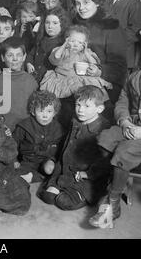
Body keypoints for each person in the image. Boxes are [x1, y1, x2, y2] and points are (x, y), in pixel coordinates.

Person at [39, 85, 111, 211]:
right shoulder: (75, 121)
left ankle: (78, 194)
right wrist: (53, 159)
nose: (80, 110)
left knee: (64, 202)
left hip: (86, 176)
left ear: (99, 109)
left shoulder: (104, 129)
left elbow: (104, 161)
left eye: (87, 106)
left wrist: (88, 174)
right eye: (78, 105)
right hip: (66, 168)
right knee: (48, 196)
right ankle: (61, 186)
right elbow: (64, 144)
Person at [90, 68, 141, 228]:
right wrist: (125, 123)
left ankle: (113, 203)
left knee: (124, 152)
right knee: (104, 138)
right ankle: (117, 183)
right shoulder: (135, 76)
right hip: (131, 125)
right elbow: (123, 101)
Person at [71, 0, 128, 104]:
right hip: (72, 80)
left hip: (102, 87)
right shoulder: (73, 24)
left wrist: (100, 71)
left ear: (97, 2)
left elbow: (120, 69)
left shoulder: (112, 26)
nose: (81, 8)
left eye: (86, 2)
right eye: (78, 3)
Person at [40, 25, 112, 99]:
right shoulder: (64, 51)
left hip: (81, 79)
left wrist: (86, 52)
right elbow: (55, 57)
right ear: (66, 40)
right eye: (72, 41)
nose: (75, 44)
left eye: (80, 42)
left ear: (85, 44)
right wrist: (64, 45)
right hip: (62, 79)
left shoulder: (87, 53)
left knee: (92, 89)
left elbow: (95, 64)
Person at [14, 90, 64, 184]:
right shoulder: (24, 126)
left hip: (46, 160)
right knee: (15, 176)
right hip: (28, 161)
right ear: (33, 112)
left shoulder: (58, 128)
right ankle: (33, 176)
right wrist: (14, 160)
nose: (45, 115)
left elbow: (61, 150)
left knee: (51, 170)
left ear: (54, 113)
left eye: (49, 111)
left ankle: (38, 177)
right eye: (40, 111)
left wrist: (52, 160)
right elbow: (13, 144)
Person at [104, 0, 141, 72]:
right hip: (104, 55)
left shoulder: (133, 2)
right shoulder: (105, 0)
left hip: (123, 58)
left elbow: (135, 30)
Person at [0, 37, 38, 131]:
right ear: (3, 58)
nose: (15, 59)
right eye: (10, 55)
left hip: (25, 130)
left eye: (19, 55)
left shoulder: (31, 81)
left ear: (24, 57)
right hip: (3, 129)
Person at [26, 6, 69, 83]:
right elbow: (31, 55)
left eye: (55, 23)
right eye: (47, 22)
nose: (50, 26)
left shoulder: (63, 44)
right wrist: (28, 63)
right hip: (34, 79)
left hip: (50, 83)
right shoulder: (41, 39)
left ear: (62, 24)